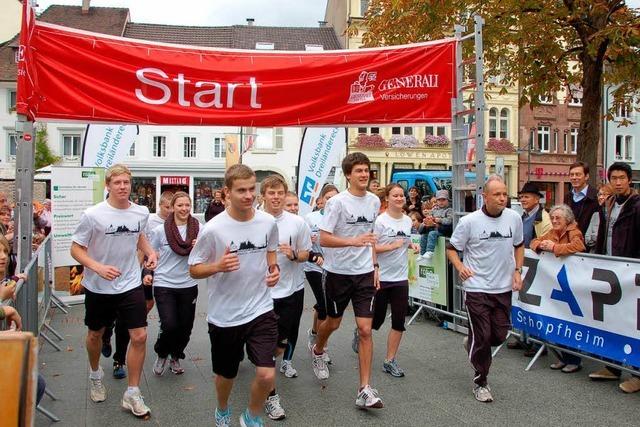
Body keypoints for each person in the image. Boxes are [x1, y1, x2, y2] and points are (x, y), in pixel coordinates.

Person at [188, 164, 280, 427]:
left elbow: (270, 251)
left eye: (252, 189)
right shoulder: (214, 229)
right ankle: (222, 409)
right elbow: (194, 269)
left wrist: (274, 271)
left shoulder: (267, 222)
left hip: (261, 308)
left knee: (265, 374)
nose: (249, 195)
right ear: (226, 192)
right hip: (225, 316)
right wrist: (217, 266)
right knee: (225, 376)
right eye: (242, 190)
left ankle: (251, 416)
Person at [70, 164, 157, 418]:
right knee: (95, 334)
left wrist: (150, 252)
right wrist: (97, 267)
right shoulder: (93, 214)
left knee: (139, 336)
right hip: (99, 285)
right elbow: (76, 249)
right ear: (108, 185)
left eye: (126, 182)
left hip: (130, 283)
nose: (122, 187)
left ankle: (132, 392)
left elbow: (138, 236)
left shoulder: (141, 212)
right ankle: (96, 374)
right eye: (117, 182)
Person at [312, 152, 384, 409]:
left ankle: (364, 389)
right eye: (359, 171)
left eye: (366, 170)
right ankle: (318, 350)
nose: (364, 174)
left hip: (364, 273)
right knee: (332, 323)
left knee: (365, 329)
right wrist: (352, 241)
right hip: (337, 274)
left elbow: (371, 237)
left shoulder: (375, 201)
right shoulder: (338, 203)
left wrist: (375, 264)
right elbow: (323, 238)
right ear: (348, 175)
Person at [447, 175, 524, 403]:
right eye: (497, 194)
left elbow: (519, 245)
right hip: (477, 287)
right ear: (485, 196)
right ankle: (481, 382)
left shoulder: (514, 218)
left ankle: (471, 343)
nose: (502, 198)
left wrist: (518, 270)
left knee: (499, 336)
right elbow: (452, 249)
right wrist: (461, 267)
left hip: (502, 287)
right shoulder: (469, 222)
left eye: (505, 194)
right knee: (483, 337)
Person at [101, 190, 174, 379]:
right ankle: (111, 342)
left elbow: (144, 246)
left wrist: (145, 268)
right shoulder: (146, 220)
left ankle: (120, 355)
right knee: (115, 317)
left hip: (141, 273)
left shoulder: (143, 217)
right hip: (119, 273)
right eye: (168, 207)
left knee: (140, 311)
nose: (171, 210)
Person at [260, 176, 310, 420]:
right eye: (271, 192)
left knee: (281, 343)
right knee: (266, 347)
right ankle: (271, 397)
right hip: (261, 296)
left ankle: (266, 361)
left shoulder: (297, 222)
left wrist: (293, 255)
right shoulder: (254, 221)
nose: (276, 197)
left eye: (280, 192)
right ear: (264, 196)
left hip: (289, 291)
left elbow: (306, 253)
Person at [590, 162, 640, 393]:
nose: (618, 182)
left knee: (633, 324)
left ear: (629, 180)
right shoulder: (608, 204)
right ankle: (613, 366)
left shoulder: (637, 205)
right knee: (613, 321)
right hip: (610, 269)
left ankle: (637, 374)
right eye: (614, 178)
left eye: (622, 178)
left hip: (630, 272)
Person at [530, 204, 586, 373]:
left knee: (570, 320)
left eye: (558, 218)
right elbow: (534, 242)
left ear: (567, 219)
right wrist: (541, 245)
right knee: (558, 318)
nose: (554, 221)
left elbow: (579, 246)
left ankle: (574, 360)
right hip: (556, 283)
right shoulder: (553, 232)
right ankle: (563, 358)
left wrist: (554, 248)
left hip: (572, 283)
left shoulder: (573, 231)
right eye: (552, 218)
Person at [150, 192, 200, 377]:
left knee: (185, 327)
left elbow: (207, 253)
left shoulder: (198, 228)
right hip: (164, 283)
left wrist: (199, 246)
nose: (184, 209)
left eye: (187, 205)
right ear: (173, 207)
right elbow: (151, 254)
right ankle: (162, 353)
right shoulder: (160, 231)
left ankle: (175, 355)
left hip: (188, 283)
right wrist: (147, 274)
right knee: (170, 324)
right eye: (180, 205)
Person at [372, 184, 418, 377]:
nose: (400, 198)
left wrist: (412, 245)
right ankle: (361, 332)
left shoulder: (408, 221)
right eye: (396, 196)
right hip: (383, 276)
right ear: (387, 199)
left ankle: (389, 360)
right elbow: (371, 248)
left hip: (400, 278)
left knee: (399, 321)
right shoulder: (380, 221)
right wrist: (391, 247)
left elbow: (405, 241)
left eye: (402, 196)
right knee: (377, 320)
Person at [303, 185, 338, 360]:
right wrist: (309, 240)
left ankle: (315, 333)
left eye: (335, 197)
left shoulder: (342, 218)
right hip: (314, 267)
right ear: (321, 201)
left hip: (334, 267)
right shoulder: (311, 218)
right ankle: (321, 348)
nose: (331, 201)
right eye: (328, 198)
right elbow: (302, 243)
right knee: (325, 307)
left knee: (322, 305)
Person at [564, 161, 599, 241]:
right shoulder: (567, 197)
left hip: (588, 244)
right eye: (572, 175)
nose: (574, 177)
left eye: (578, 174)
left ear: (586, 176)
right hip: (569, 243)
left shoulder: (596, 197)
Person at [417, 189, 453, 260]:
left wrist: (439, 220)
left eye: (443, 200)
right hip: (433, 229)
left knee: (432, 233)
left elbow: (449, 221)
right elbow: (430, 216)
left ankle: (430, 251)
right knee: (424, 235)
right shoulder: (434, 209)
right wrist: (428, 220)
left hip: (442, 232)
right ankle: (422, 253)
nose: (441, 202)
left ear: (447, 200)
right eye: (439, 200)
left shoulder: (449, 210)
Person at [518, 182, 552, 249]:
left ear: (536, 199)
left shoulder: (545, 218)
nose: (522, 200)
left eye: (526, 197)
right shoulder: (523, 216)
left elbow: (546, 243)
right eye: (521, 197)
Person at [584, 184, 613, 251]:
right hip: (595, 254)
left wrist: (595, 236)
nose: (601, 197)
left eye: (605, 195)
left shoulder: (615, 215)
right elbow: (587, 240)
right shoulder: (596, 215)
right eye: (599, 194)